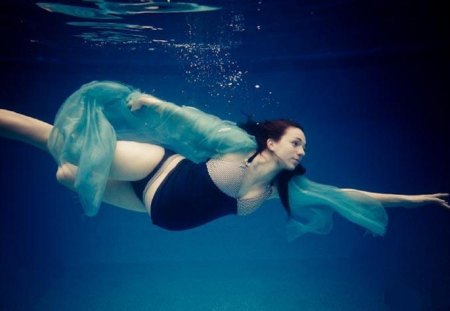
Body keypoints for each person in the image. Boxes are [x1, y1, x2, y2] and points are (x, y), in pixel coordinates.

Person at [0, 81, 448, 240]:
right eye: (296, 142)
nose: (302, 151)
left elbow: (349, 196)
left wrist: (417, 200)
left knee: (66, 177)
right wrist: (155, 103)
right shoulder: (237, 145)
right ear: (271, 142)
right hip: (156, 167)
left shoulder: (282, 190)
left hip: (152, 209)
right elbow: (196, 124)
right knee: (59, 144)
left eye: (303, 146)